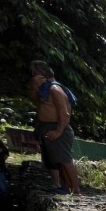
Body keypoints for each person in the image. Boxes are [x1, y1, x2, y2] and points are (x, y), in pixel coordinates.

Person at [29, 60, 80, 194]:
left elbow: (64, 113)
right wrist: (35, 86)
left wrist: (58, 131)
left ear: (41, 73)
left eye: (34, 73)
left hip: (58, 127)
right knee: (57, 161)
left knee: (64, 161)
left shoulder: (54, 88)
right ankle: (65, 187)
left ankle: (75, 190)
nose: (32, 76)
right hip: (47, 127)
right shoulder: (44, 89)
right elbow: (34, 99)